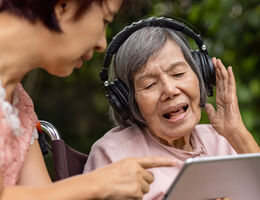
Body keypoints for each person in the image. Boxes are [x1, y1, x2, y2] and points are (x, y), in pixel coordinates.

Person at [0, 1, 176, 200]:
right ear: (63, 6)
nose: (102, 44)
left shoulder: (18, 103)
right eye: (104, 20)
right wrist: (96, 183)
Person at [83, 18, 260, 199]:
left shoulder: (222, 140)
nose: (169, 90)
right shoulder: (114, 153)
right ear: (127, 101)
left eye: (178, 74)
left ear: (201, 76)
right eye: (150, 84)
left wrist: (236, 133)